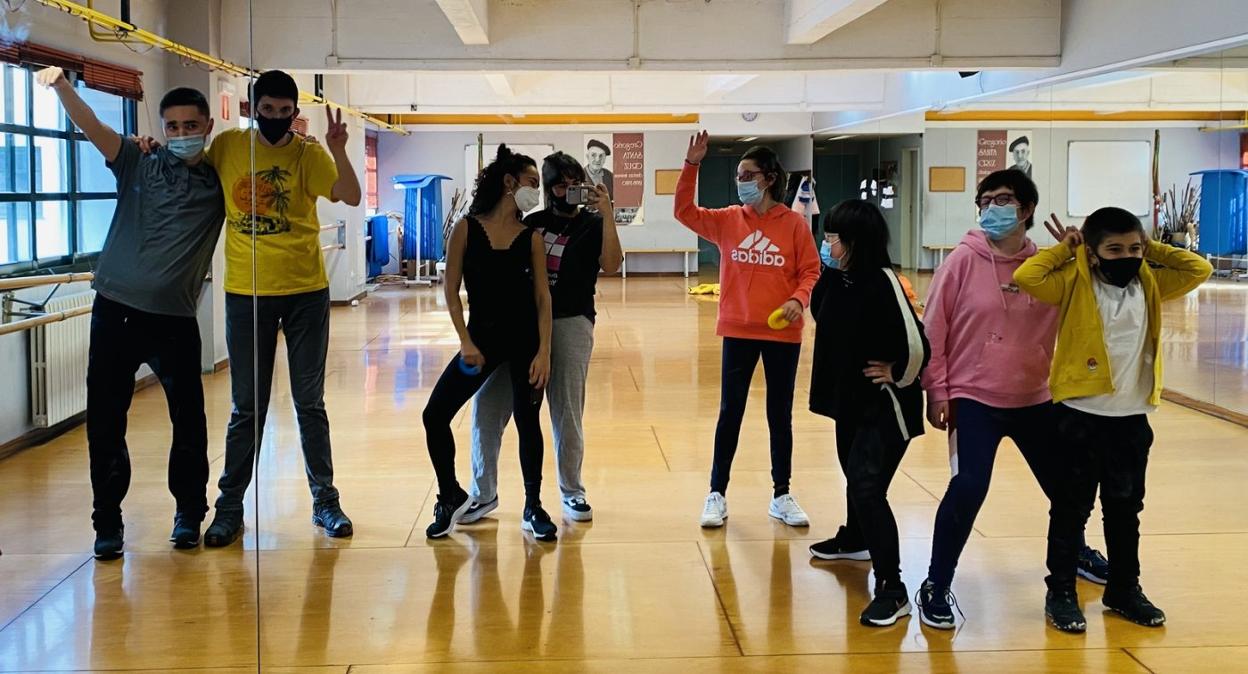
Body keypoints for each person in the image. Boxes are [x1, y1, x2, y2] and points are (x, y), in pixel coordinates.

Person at [906, 169, 1109, 630]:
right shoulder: (961, 261)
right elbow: (933, 330)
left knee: (1068, 488)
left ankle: (1074, 552)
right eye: (985, 200)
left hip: (1035, 396)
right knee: (969, 487)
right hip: (974, 397)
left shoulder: (1049, 264)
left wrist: (1083, 258)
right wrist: (936, 389)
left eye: (1003, 199)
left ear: (1027, 209)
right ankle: (937, 582)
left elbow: (1089, 308)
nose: (992, 208)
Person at [37, 67, 225, 559]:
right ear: (161, 129)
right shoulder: (137, 162)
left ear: (207, 126)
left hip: (175, 321)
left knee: (189, 423)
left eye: (190, 125)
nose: (181, 134)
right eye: (173, 127)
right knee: (105, 422)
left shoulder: (219, 181)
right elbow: (92, 127)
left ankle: (188, 515)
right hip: (115, 312)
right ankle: (108, 525)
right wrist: (60, 85)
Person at [1015, 207, 1211, 633]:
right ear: (1094, 250)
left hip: (1131, 420)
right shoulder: (1074, 281)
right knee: (1070, 511)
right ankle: (1061, 592)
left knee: (1125, 511)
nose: (1127, 256)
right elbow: (1028, 278)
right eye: (1115, 249)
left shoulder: (1152, 282)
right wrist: (1067, 250)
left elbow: (1199, 267)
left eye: (1134, 248)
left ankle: (1123, 588)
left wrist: (1149, 246)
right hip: (1078, 417)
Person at [202, 70, 362, 546]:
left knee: (309, 403)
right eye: (267, 110)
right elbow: (185, 180)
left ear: (296, 111)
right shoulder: (227, 148)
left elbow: (351, 195)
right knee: (246, 408)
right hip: (247, 295)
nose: (276, 119)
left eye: (284, 111)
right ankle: (229, 509)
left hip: (304, 293)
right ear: (252, 109)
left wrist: (338, 148)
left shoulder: (307, 154)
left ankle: (325, 502)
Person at [461, 152, 622, 525]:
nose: (568, 191)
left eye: (574, 184)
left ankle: (573, 491)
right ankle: (483, 493)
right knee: (489, 406)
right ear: (548, 189)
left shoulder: (593, 224)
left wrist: (609, 213)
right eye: (560, 185)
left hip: (570, 323)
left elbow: (612, 264)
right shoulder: (531, 223)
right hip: (518, 323)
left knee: (566, 411)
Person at [676, 131, 822, 529]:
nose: (740, 181)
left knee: (780, 415)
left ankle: (782, 493)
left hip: (782, 334)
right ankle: (716, 492)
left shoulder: (794, 224)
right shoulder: (727, 220)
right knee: (731, 412)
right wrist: (692, 165)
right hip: (738, 331)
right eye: (739, 174)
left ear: (768, 178)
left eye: (747, 174)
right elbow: (684, 212)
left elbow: (811, 269)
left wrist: (799, 298)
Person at [421, 146, 554, 541]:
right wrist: (464, 340)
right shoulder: (466, 228)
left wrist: (544, 351)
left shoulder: (530, 237)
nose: (537, 192)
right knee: (434, 415)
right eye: (532, 183)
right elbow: (450, 289)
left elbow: (543, 298)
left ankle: (534, 505)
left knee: (528, 423)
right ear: (509, 183)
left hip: (526, 343)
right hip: (480, 342)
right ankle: (450, 495)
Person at [807, 200, 930, 627]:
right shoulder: (836, 279)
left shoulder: (884, 282)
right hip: (849, 403)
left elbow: (919, 345)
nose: (825, 244)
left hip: (885, 405)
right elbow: (820, 311)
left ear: (853, 242)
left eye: (832, 237)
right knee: (852, 473)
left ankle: (893, 589)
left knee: (866, 485)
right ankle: (855, 537)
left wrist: (898, 373)